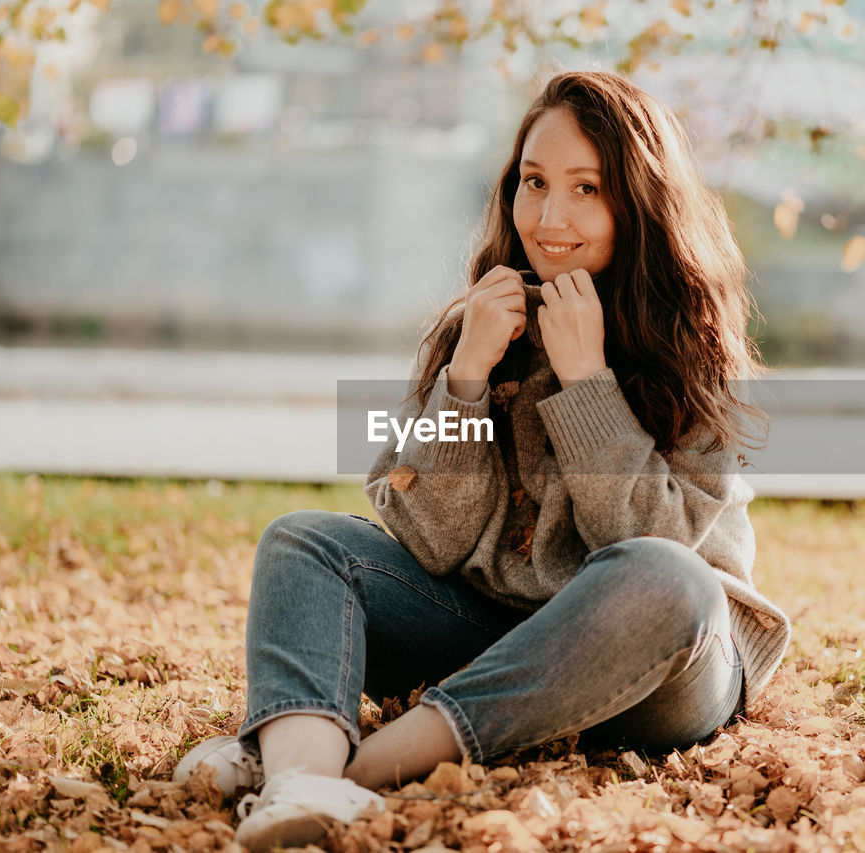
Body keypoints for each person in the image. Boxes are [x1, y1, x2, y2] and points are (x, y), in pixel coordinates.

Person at [175, 70, 790, 853]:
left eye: (586, 189)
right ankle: (300, 776)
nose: (550, 216)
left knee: (669, 576)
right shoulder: (481, 326)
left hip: (663, 661)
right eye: (533, 182)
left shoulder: (692, 347)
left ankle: (356, 772)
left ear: (638, 203)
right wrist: (464, 381)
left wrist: (588, 385)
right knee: (305, 543)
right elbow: (430, 540)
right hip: (502, 632)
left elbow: (649, 540)